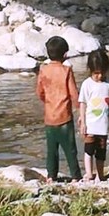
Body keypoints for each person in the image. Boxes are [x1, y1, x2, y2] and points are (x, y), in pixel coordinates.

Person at [36, 36, 82, 182]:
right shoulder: (67, 71)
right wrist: (81, 111)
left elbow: (40, 92)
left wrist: (47, 102)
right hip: (65, 118)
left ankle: (51, 176)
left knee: (52, 151)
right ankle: (75, 176)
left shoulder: (43, 70)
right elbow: (74, 94)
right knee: (70, 150)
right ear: (65, 55)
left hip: (49, 118)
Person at [78, 49, 109, 181]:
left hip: (103, 125)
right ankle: (89, 173)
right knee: (89, 149)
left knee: (101, 152)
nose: (100, 76)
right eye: (96, 73)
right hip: (90, 124)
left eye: (102, 72)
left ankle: (100, 174)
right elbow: (83, 103)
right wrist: (83, 122)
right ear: (90, 70)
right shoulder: (87, 84)